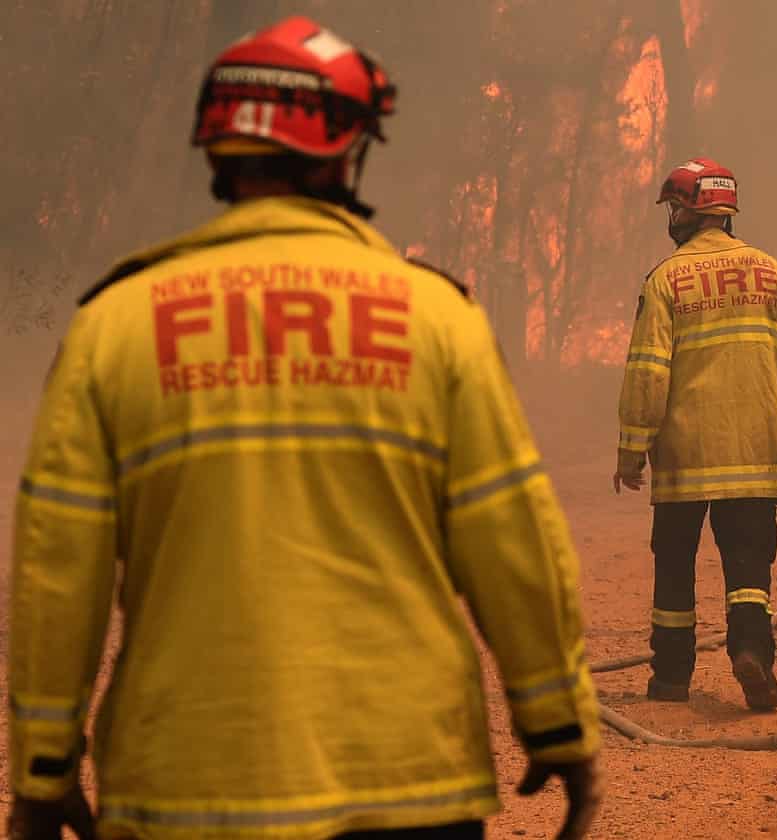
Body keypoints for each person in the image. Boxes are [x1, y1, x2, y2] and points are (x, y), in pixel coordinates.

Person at [7, 17, 601, 840]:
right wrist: (557, 721)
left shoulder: (116, 325)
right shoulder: (436, 319)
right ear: (342, 150)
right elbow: (513, 538)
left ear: (217, 150)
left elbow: (56, 569)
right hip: (406, 780)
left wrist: (42, 766)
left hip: (183, 785)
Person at [613, 158, 777, 711]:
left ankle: (671, 678)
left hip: (685, 454)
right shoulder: (775, 273)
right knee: (748, 564)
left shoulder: (666, 279)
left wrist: (632, 449)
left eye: (671, 208)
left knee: (674, 564)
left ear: (682, 211)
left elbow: (648, 371)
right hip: (754, 451)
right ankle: (751, 651)